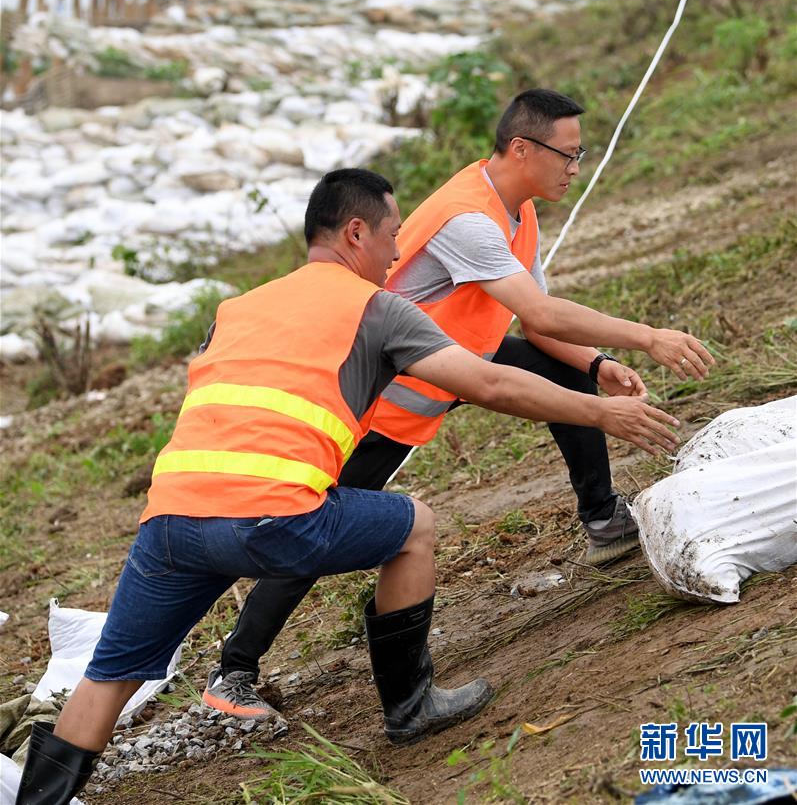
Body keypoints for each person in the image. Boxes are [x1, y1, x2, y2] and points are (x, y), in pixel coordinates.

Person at [16, 169, 684, 805]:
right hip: (272, 515)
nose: (398, 255)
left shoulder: (237, 307)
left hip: (170, 521)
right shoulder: (377, 308)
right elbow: (487, 381)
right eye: (392, 236)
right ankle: (410, 706)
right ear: (356, 235)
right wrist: (600, 410)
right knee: (414, 525)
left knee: (108, 677)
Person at [205, 90, 715, 722]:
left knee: (558, 367)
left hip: (451, 363)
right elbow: (542, 312)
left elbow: (539, 327)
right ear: (523, 149)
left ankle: (604, 522)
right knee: (312, 528)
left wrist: (596, 363)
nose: (576, 167)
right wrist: (648, 336)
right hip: (381, 398)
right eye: (570, 152)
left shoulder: (518, 213)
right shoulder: (467, 219)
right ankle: (234, 671)